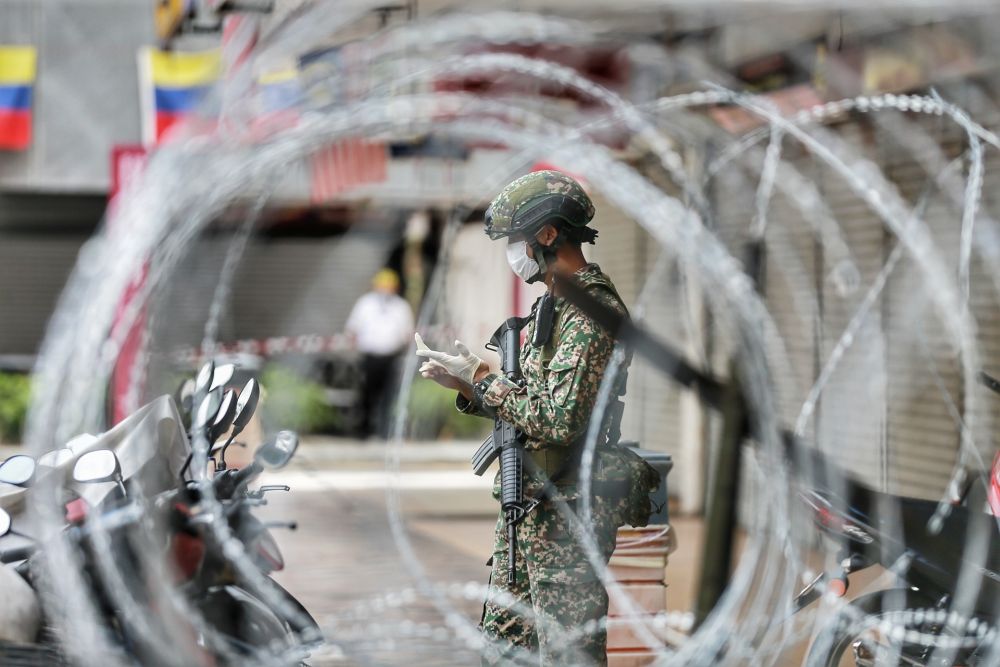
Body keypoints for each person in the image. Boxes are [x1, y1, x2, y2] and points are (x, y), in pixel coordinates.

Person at [415, 171, 635, 666]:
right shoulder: (554, 305)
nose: (513, 254)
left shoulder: (591, 312)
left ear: (548, 234)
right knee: (504, 649)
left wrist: (484, 380)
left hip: (568, 515)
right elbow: (530, 400)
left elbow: (559, 420)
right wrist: (468, 386)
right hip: (530, 507)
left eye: (516, 240)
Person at [345, 268, 414, 439]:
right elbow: (352, 329)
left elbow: (407, 333)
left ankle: (384, 432)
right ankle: (363, 429)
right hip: (369, 356)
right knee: (366, 394)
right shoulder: (365, 304)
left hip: (391, 357)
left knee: (388, 396)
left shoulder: (401, 307)